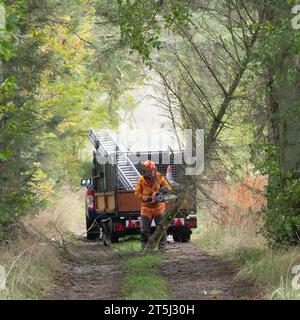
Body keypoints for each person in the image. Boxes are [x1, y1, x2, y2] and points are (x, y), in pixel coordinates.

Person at [134, 160, 172, 250]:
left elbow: (168, 187)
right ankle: (145, 247)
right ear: (144, 171)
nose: (149, 173)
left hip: (159, 207)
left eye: (151, 171)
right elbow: (136, 192)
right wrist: (145, 198)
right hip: (146, 208)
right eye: (147, 171)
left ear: (154, 170)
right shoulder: (141, 179)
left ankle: (162, 247)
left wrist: (162, 190)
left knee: (161, 228)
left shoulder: (160, 177)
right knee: (144, 230)